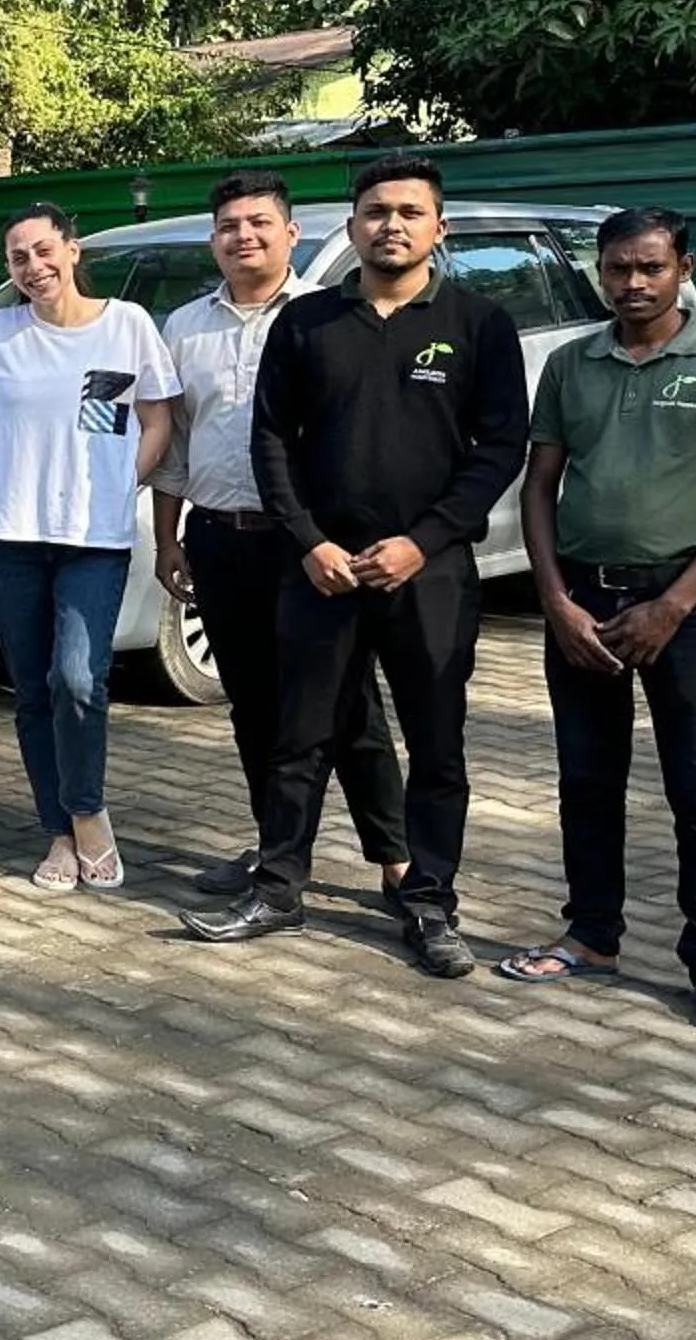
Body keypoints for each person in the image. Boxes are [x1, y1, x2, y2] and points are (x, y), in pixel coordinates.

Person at [179, 153, 528, 976]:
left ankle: (430, 903)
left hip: (428, 572)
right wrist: (310, 541)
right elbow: (271, 442)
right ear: (353, 226)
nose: (391, 224)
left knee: (435, 745)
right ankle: (278, 888)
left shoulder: (480, 324)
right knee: (299, 735)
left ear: (438, 226)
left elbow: (500, 448)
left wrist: (426, 539)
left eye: (409, 211)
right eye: (375, 211)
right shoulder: (307, 325)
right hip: (324, 571)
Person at [503, 208, 696, 1037]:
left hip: (687, 610)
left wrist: (675, 603)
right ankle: (591, 936)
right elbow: (537, 488)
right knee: (587, 784)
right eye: (618, 268)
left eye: (650, 268)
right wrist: (554, 601)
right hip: (584, 603)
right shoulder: (570, 365)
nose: (632, 283)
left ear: (683, 269)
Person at [151, 172, 413, 906]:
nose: (244, 237)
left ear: (291, 234)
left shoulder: (330, 317)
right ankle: (276, 848)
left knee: (349, 704)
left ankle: (395, 859)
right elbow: (176, 442)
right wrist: (170, 539)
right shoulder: (185, 326)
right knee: (254, 706)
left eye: (260, 223)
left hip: (313, 547)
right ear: (214, 240)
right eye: (229, 225)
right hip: (219, 537)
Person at [0, 207, 179, 893]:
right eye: (17, 258)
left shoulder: (127, 326)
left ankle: (89, 811)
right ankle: (57, 832)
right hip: (14, 532)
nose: (33, 268)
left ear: (71, 248)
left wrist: (127, 484)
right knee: (31, 689)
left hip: (95, 537)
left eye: (42, 250)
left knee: (79, 679)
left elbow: (157, 417)